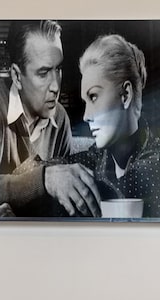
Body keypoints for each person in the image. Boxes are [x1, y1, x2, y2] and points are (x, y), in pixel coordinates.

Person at [0, 20, 101, 217]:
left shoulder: (60, 118)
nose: (55, 86)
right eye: (43, 73)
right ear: (17, 77)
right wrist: (44, 179)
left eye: (58, 69)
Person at [68, 34, 160, 217]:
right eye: (85, 101)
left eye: (93, 96)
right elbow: (33, 170)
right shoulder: (98, 156)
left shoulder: (154, 164)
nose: (86, 116)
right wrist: (48, 177)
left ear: (125, 95)